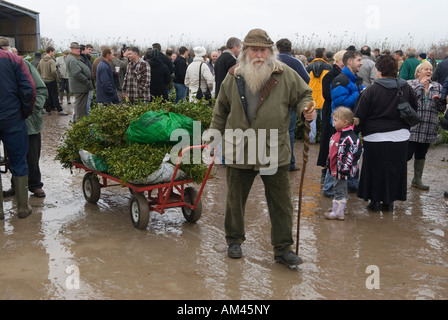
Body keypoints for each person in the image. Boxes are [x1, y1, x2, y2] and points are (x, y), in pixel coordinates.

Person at [208, 28, 316, 268]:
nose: (258, 54)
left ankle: (283, 249)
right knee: (235, 199)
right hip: (240, 148)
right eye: (254, 49)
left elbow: (304, 96)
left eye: (263, 50)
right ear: (245, 51)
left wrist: (307, 108)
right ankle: (234, 240)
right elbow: (221, 108)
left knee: (281, 202)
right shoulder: (233, 75)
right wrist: (213, 138)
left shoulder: (285, 74)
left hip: (273, 149)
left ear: (270, 52)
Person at [354, 55, 418, 212]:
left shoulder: (371, 90)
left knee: (374, 169)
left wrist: (355, 132)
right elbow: (414, 110)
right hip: (400, 137)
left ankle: (374, 200)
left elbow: (359, 115)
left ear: (379, 70)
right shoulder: (407, 88)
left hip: (374, 136)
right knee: (395, 169)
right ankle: (389, 201)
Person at [0, 36, 36, 220]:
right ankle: (23, 208)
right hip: (13, 118)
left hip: (12, 115)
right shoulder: (14, 59)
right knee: (19, 160)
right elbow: (29, 89)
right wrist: (24, 112)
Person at [3, 54, 49, 199]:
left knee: (32, 154)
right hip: (11, 120)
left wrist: (33, 108)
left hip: (29, 118)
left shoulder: (23, 64)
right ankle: (15, 186)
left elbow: (40, 89)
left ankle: (35, 185)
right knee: (13, 155)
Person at [407, 61, 445, 190]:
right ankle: (398, 177)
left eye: (430, 69)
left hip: (429, 126)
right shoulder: (410, 84)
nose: (429, 71)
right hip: (413, 126)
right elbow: (409, 101)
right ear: (418, 72)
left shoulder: (438, 86)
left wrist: (440, 100)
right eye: (425, 69)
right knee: (407, 154)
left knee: (422, 153)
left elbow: (441, 108)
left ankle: (417, 180)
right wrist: (420, 87)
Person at [330, 50, 365, 194]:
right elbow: (340, 103)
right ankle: (333, 189)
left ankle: (352, 185)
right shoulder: (341, 80)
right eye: (359, 60)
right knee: (340, 157)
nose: (361, 63)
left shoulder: (355, 79)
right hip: (342, 126)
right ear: (349, 61)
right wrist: (360, 94)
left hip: (351, 125)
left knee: (353, 155)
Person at [276, 38, 310, 171]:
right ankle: (289, 163)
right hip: (290, 103)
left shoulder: (272, 60)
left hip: (271, 103)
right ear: (290, 48)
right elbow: (307, 78)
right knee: (289, 132)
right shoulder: (296, 62)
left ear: (278, 48)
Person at [324, 107, 362, 220]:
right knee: (340, 188)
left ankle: (338, 213)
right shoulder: (338, 134)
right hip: (337, 167)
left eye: (335, 120)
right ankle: (340, 208)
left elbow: (351, 155)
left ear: (345, 122)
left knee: (338, 189)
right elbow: (332, 151)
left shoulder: (349, 138)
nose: (333, 122)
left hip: (342, 169)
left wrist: (344, 169)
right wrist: (328, 162)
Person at [318, 50, 346, 192]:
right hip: (331, 111)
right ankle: (325, 170)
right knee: (328, 140)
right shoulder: (329, 76)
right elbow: (326, 95)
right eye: (343, 60)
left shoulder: (348, 76)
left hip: (344, 113)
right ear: (337, 61)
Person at [306, 48, 331, 144]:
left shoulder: (308, 67)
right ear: (324, 55)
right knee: (324, 119)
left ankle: (312, 139)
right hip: (324, 96)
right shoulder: (328, 67)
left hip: (312, 96)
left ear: (314, 55)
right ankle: (324, 140)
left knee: (312, 119)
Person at [66, 42, 94, 123]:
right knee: (80, 108)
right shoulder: (72, 59)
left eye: (79, 48)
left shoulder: (74, 57)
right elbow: (76, 73)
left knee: (81, 107)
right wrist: (87, 81)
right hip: (80, 87)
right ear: (71, 49)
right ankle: (79, 124)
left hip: (81, 87)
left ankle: (79, 122)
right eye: (76, 48)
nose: (78, 50)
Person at [37, 47, 69, 116]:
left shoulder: (41, 60)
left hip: (44, 80)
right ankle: (59, 110)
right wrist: (56, 78)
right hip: (51, 80)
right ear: (50, 51)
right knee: (55, 95)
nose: (54, 53)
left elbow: (38, 69)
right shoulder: (51, 61)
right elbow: (54, 71)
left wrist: (42, 76)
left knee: (47, 96)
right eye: (54, 52)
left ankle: (48, 110)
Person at [80, 44, 94, 115]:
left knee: (89, 99)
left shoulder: (87, 58)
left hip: (89, 81)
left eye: (91, 50)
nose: (90, 51)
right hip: (86, 83)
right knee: (86, 101)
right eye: (88, 49)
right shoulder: (82, 58)